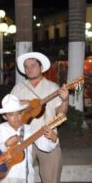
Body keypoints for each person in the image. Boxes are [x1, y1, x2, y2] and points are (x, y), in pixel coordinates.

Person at [11, 52, 69, 183]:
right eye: (26, 66)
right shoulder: (18, 88)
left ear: (41, 67)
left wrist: (65, 101)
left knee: (51, 179)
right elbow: (9, 113)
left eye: (33, 65)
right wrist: (25, 103)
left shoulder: (53, 87)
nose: (29, 69)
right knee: (19, 179)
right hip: (23, 138)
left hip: (48, 136)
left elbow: (61, 116)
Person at [0, 94, 59, 183]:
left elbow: (44, 147)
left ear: (23, 113)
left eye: (19, 113)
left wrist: (53, 139)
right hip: (6, 176)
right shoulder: (2, 128)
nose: (16, 117)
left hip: (25, 176)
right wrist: (5, 144)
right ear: (4, 117)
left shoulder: (29, 128)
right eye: (11, 114)